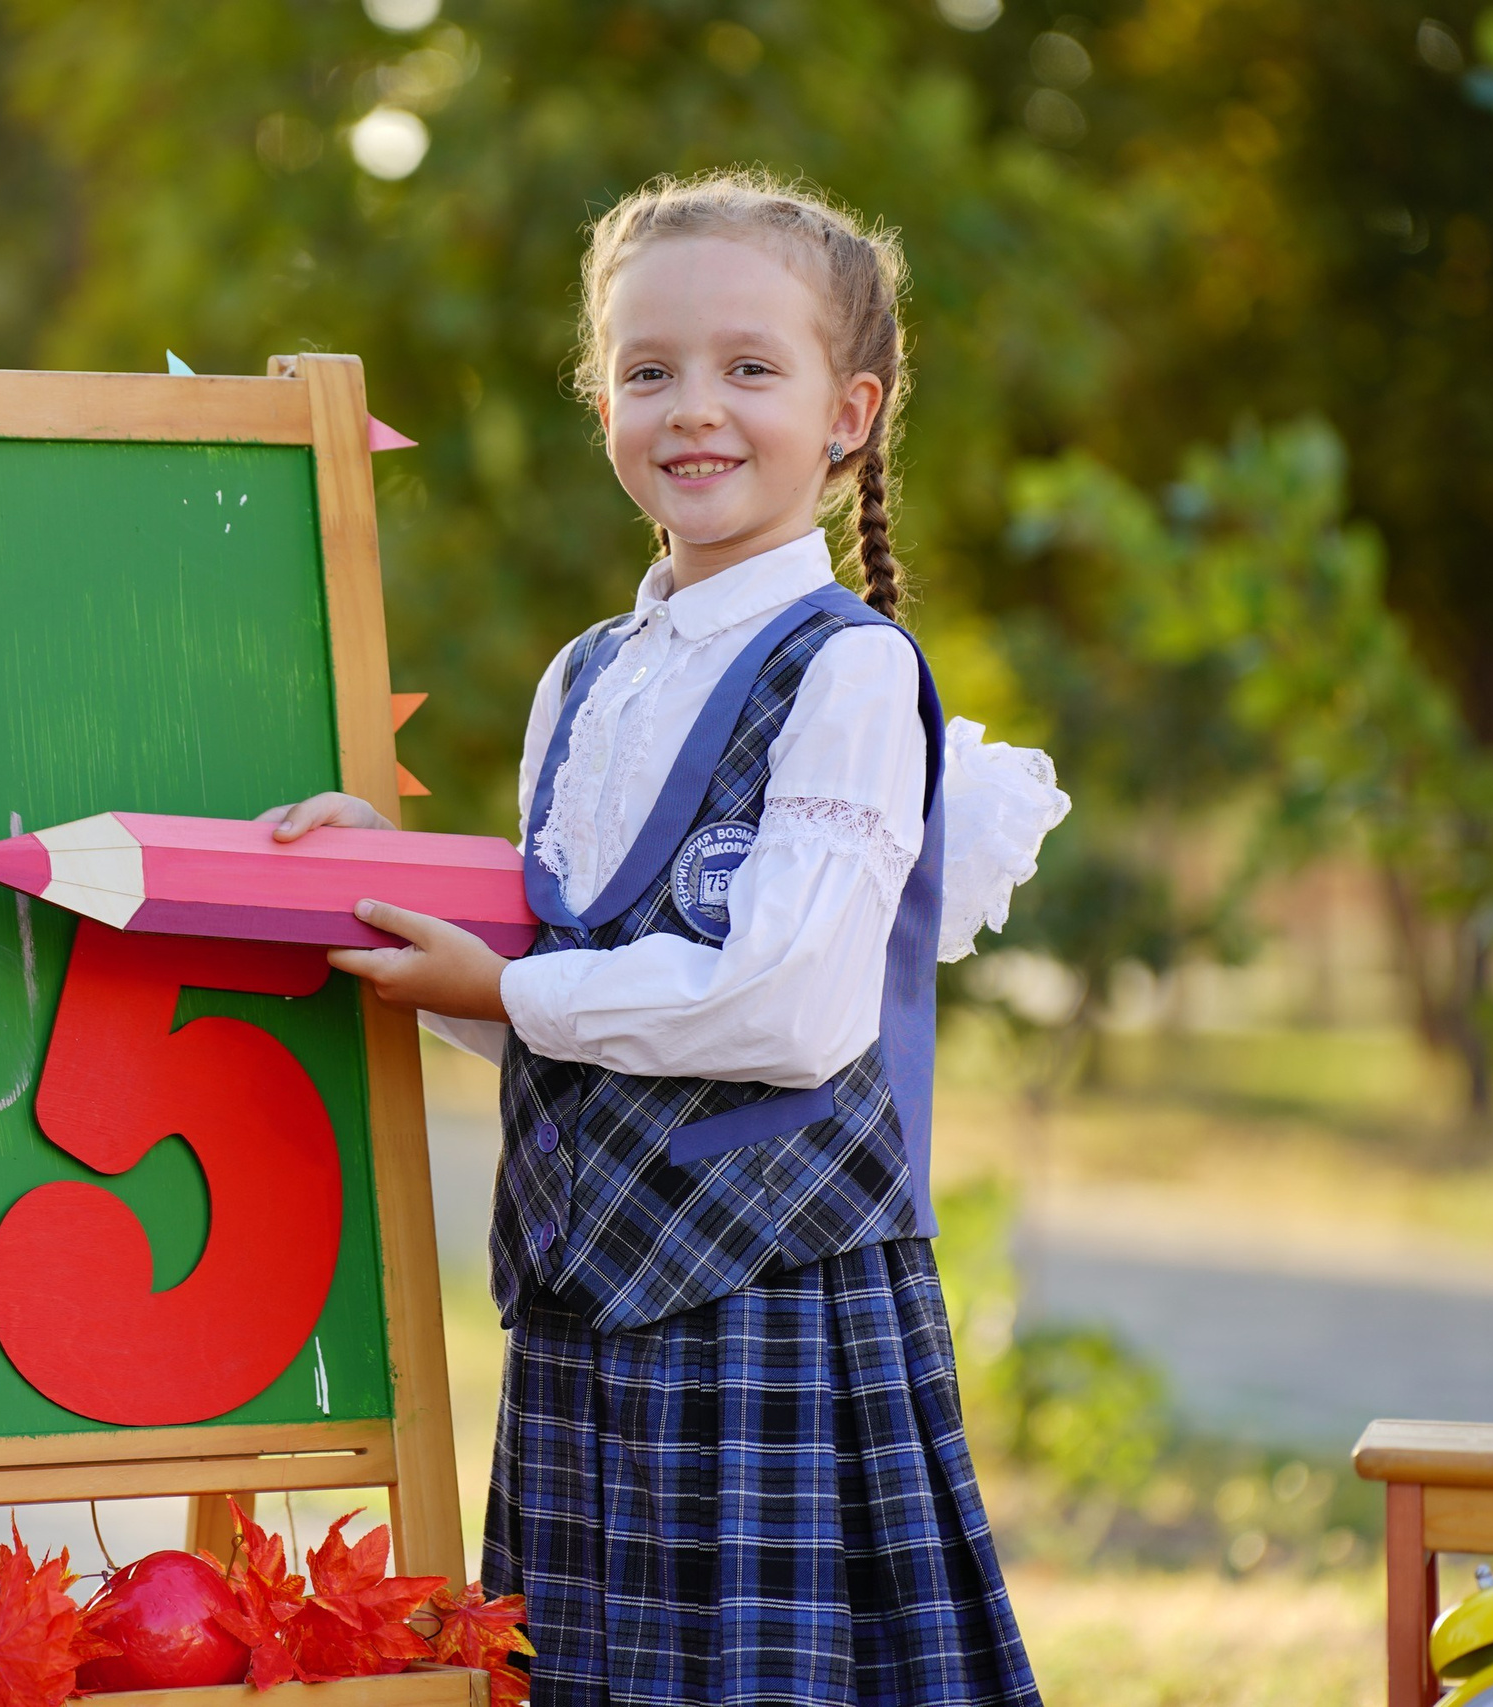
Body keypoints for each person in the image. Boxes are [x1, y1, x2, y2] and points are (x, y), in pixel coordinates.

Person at [261, 170, 1047, 1706]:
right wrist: (388, 899)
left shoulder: (850, 675)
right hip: (586, 1300)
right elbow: (569, 980)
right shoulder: (587, 674)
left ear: (850, 413)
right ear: (600, 397)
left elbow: (784, 1008)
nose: (696, 408)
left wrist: (510, 983)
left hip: (770, 1297)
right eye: (649, 371)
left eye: (752, 369)